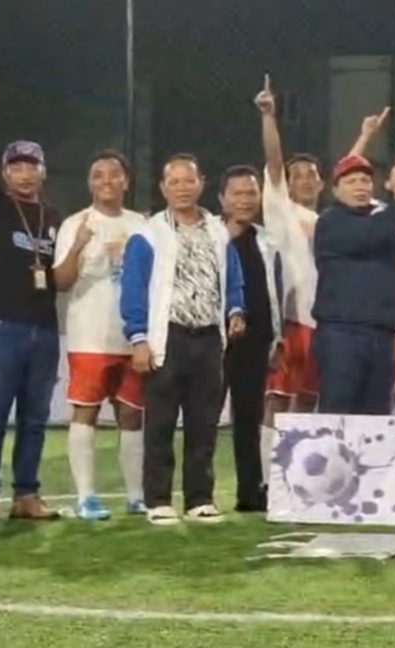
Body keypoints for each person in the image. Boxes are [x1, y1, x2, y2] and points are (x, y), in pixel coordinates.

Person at [120, 154, 246, 525]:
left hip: (208, 339)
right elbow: (133, 288)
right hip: (168, 337)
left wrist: (236, 311)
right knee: (160, 422)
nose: (182, 188)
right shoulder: (147, 234)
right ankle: (158, 500)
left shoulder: (219, 231)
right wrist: (138, 337)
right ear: (163, 188)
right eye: (173, 182)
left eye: (188, 180)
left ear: (201, 183)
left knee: (203, 423)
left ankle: (199, 498)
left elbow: (233, 278)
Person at [0, 66, 61, 523]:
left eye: (31, 166)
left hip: (44, 328)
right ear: (5, 173)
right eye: (16, 166)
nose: (25, 173)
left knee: (35, 418)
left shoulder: (55, 217)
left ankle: (27, 494)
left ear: (42, 172)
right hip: (0, 325)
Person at [311, 153, 395, 415]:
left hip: (383, 334)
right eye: (351, 181)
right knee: (339, 415)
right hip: (342, 333)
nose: (360, 186)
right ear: (335, 190)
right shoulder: (330, 221)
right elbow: (369, 235)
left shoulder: (384, 222)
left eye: (365, 180)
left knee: (376, 420)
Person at [53, 150, 146, 520]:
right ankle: (87, 497)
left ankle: (136, 496)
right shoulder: (76, 223)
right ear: (90, 183)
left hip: (132, 338)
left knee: (133, 415)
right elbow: (61, 281)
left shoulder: (141, 224)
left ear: (126, 181)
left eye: (114, 174)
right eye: (98, 175)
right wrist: (79, 244)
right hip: (89, 337)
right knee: (86, 412)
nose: (106, 180)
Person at [255, 75, 324, 476]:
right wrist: (269, 118)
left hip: (324, 323)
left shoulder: (331, 221)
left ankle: (297, 476)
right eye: (297, 175)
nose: (305, 180)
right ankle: (268, 478)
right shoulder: (282, 211)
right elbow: (274, 164)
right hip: (291, 320)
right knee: (278, 399)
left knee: (308, 400)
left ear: (322, 182)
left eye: (312, 174)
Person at [218, 165, 283, 512]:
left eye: (251, 193)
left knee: (249, 418)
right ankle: (199, 493)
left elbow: (273, 290)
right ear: (222, 199)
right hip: (212, 340)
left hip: (256, 340)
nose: (245, 200)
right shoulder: (209, 236)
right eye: (237, 193)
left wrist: (277, 337)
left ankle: (250, 492)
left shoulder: (266, 240)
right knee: (203, 418)